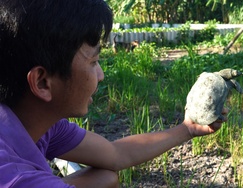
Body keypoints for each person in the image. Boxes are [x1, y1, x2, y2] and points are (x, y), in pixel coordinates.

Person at [0, 0, 228, 187]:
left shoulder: (35, 122)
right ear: (42, 82)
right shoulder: (16, 179)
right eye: (93, 61)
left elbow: (114, 154)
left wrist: (187, 129)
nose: (100, 75)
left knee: (105, 178)